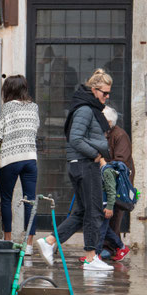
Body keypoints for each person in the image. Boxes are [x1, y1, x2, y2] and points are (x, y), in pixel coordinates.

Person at [36, 69, 114, 271]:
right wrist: (96, 155)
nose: (107, 97)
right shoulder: (86, 109)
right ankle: (90, 257)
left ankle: (50, 241)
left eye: (108, 93)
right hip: (85, 164)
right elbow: (76, 138)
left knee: (82, 211)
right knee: (94, 210)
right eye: (104, 93)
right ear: (94, 90)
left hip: (81, 164)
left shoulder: (88, 107)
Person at [0, 75, 40, 255]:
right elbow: (35, 129)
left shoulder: (7, 108)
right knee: (30, 200)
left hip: (10, 159)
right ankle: (28, 244)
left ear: (9, 90)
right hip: (30, 158)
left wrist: (5, 141)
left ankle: (8, 239)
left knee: (6, 199)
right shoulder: (34, 107)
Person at [78, 157, 130, 263]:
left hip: (106, 206)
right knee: (105, 231)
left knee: (100, 231)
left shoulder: (106, 170)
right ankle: (122, 247)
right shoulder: (100, 170)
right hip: (100, 205)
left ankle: (95, 255)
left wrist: (110, 207)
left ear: (99, 157)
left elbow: (111, 191)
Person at [103, 106, 135, 249]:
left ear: (109, 122)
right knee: (106, 213)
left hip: (119, 182)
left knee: (115, 214)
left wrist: (103, 163)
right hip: (107, 178)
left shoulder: (119, 135)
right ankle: (107, 246)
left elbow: (121, 162)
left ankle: (112, 248)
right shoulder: (104, 134)